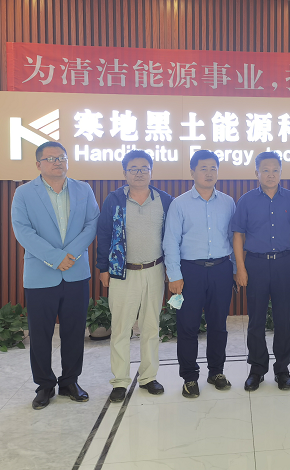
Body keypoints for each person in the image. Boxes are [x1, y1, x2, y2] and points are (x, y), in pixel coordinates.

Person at [10, 141, 99, 410]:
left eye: (61, 157)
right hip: (40, 274)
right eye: (50, 158)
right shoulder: (24, 193)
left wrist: (69, 254)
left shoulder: (83, 189)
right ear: (38, 164)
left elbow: (91, 223)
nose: (57, 162)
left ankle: (70, 381)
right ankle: (44, 385)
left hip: (75, 272)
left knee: (74, 331)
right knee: (40, 334)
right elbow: (22, 230)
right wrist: (56, 257)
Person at [96, 150, 174, 402]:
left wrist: (172, 271)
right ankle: (120, 381)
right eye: (133, 169)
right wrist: (103, 268)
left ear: (151, 171)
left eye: (144, 168)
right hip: (123, 272)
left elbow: (172, 237)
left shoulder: (164, 200)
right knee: (121, 328)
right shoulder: (114, 199)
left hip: (154, 270)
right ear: (125, 172)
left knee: (151, 327)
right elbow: (104, 234)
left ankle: (148, 377)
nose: (139, 173)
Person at [163, 150, 236, 398]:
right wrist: (174, 275)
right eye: (203, 168)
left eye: (213, 168)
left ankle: (216, 371)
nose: (209, 173)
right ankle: (189, 377)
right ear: (192, 172)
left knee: (219, 325)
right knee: (188, 326)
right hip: (190, 272)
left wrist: (235, 269)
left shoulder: (228, 202)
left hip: (221, 270)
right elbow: (171, 241)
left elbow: (233, 239)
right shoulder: (179, 204)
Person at [231, 151, 290, 391]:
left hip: (284, 263)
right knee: (256, 320)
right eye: (265, 170)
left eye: (275, 170)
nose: (271, 175)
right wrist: (240, 267)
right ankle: (257, 369)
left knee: (284, 320)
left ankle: (282, 369)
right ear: (256, 173)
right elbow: (238, 235)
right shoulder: (246, 200)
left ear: (281, 172)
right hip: (256, 264)